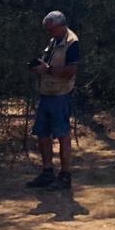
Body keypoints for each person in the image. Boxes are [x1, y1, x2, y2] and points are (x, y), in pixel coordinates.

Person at [26, 11, 79, 190]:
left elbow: (70, 71)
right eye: (48, 30)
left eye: (52, 29)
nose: (50, 33)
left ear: (61, 25)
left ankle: (65, 175)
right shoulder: (54, 41)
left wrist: (47, 70)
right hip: (46, 93)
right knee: (42, 133)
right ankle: (47, 172)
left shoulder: (72, 43)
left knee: (62, 135)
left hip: (60, 95)